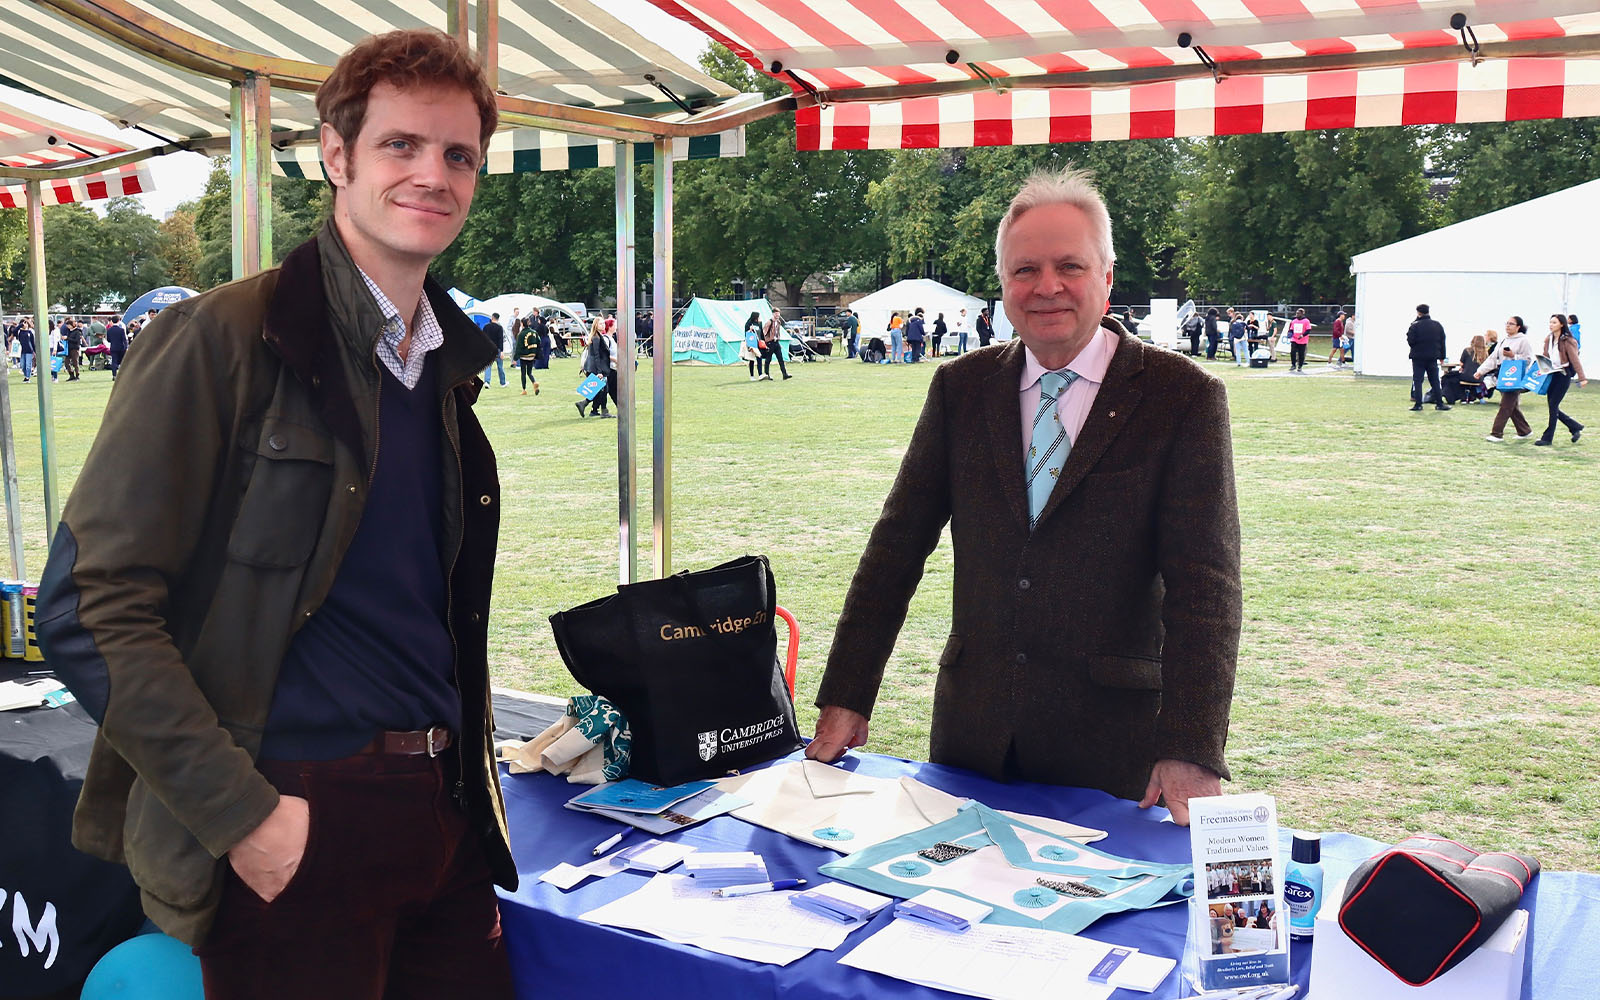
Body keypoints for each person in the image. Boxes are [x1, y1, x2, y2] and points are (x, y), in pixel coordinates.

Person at [34, 30, 517, 997]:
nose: (433, 175)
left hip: (441, 808)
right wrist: (245, 817)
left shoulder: (447, 365)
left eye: (458, 154)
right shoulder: (221, 338)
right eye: (401, 146)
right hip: (296, 803)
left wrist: (464, 805)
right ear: (334, 156)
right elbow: (88, 606)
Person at [805, 168, 1241, 826]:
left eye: (1070, 265)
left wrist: (1191, 746)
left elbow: (1205, 587)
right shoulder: (961, 388)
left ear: (1107, 276)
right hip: (971, 740)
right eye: (1025, 270)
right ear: (1004, 285)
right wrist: (847, 693)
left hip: (1112, 751)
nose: (1047, 287)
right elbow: (895, 549)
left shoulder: (1183, 397)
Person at [1478, 315, 1536, 442]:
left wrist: (1513, 356)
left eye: (1511, 324)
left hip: (1516, 377)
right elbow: (1493, 358)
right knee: (1511, 406)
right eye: (1507, 323)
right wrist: (1480, 371)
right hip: (1503, 375)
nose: (1508, 326)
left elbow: (1528, 359)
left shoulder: (1523, 340)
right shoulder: (1504, 340)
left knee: (1505, 405)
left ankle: (1496, 433)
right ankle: (1524, 431)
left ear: (1518, 327)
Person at [1535, 313, 1586, 445]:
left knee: (1553, 405)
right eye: (1550, 322)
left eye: (1554, 323)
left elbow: (1575, 359)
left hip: (1564, 375)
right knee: (1553, 406)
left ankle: (1547, 438)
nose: (1551, 325)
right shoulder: (1549, 339)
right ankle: (1574, 427)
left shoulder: (1568, 340)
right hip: (1552, 374)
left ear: (1562, 324)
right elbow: (1546, 356)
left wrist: (1582, 378)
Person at [1406, 303, 1451, 412]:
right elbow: (1442, 341)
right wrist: (1442, 356)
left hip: (1418, 357)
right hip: (1432, 357)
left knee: (1418, 380)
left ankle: (1418, 404)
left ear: (1418, 312)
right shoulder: (1437, 325)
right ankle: (1439, 403)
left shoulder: (1415, 325)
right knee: (1435, 380)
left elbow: (1410, 340)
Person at [578, 321, 613, 416]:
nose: (603, 325)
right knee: (603, 389)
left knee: (597, 389)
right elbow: (597, 355)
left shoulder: (596, 336)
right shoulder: (596, 338)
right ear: (596, 325)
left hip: (592, 367)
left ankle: (592, 409)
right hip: (595, 368)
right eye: (600, 323)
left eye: (603, 323)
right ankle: (603, 411)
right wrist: (599, 371)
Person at [515, 312, 541, 396]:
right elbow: (539, 341)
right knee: (529, 372)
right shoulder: (534, 332)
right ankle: (534, 382)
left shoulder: (521, 334)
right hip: (532, 355)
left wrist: (515, 358)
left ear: (522, 324)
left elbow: (518, 347)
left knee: (523, 373)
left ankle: (524, 390)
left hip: (524, 356)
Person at [760, 310, 791, 380]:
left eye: (778, 313)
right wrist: (765, 340)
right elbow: (764, 331)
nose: (777, 315)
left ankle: (784, 374)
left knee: (780, 358)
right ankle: (767, 374)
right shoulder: (769, 322)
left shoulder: (779, 322)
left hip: (776, 342)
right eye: (776, 313)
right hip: (770, 343)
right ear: (773, 314)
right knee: (768, 359)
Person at [481, 312, 507, 387]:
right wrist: (502, 351)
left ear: (492, 317)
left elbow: (483, 338)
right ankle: (503, 382)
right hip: (497, 349)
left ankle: (487, 382)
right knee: (500, 366)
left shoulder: (486, 327)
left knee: (488, 366)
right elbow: (500, 340)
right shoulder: (499, 328)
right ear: (498, 319)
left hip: (488, 349)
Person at [105, 313, 128, 380]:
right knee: (122, 362)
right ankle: (122, 374)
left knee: (114, 361)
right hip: (121, 347)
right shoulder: (121, 330)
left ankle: (114, 375)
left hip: (113, 347)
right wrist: (126, 347)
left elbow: (108, 340)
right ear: (118, 321)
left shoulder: (109, 330)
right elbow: (124, 339)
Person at [63, 316, 85, 380]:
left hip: (75, 348)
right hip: (68, 349)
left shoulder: (77, 331)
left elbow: (77, 341)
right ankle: (71, 374)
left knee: (75, 362)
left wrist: (68, 338)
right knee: (66, 362)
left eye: (69, 325)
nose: (68, 327)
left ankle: (77, 375)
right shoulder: (69, 331)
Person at [742, 310, 762, 380]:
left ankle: (760, 374)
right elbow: (746, 334)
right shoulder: (748, 323)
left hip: (758, 343)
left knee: (759, 358)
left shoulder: (759, 323)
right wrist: (750, 330)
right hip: (751, 343)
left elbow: (761, 332)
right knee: (752, 359)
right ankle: (752, 376)